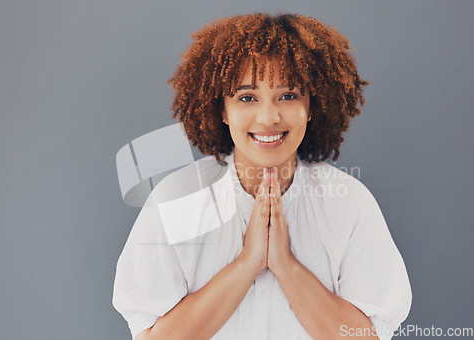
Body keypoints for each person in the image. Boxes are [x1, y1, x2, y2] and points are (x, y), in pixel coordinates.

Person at [112, 13, 412, 340]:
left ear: (312, 105)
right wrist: (247, 264)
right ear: (222, 110)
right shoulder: (177, 200)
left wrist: (286, 265)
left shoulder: (350, 204)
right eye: (247, 97)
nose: (268, 116)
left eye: (288, 95)